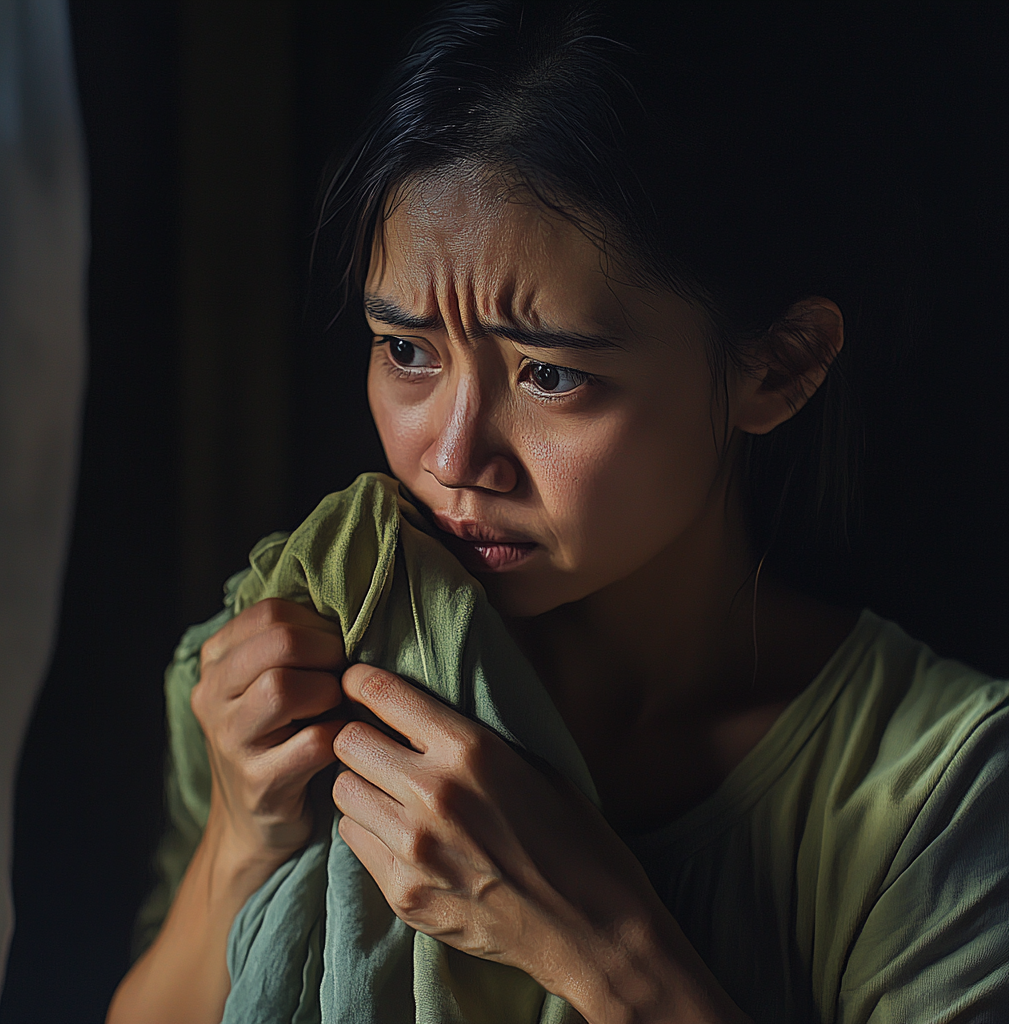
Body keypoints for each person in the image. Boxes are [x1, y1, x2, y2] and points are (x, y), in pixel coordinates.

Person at [107, 3, 1009, 1022]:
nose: (450, 458)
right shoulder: (288, 662)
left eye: (548, 374)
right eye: (406, 351)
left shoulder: (941, 795)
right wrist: (242, 836)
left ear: (779, 365)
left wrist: (605, 947)